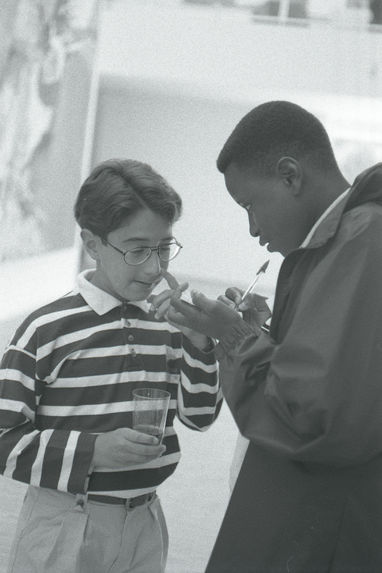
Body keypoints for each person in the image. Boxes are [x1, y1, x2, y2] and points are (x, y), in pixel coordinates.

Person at [168, 101, 382, 572]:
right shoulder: (336, 244)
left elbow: (317, 416)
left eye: (249, 205)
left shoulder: (364, 238)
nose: (252, 228)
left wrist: (237, 335)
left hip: (324, 530)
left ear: (290, 176)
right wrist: (271, 332)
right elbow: (336, 367)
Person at [0, 158, 221, 573]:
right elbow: (2, 439)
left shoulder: (170, 324)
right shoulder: (45, 329)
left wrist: (197, 341)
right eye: (138, 250)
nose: (155, 268)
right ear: (92, 243)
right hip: (64, 520)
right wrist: (94, 450)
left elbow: (201, 416)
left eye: (163, 248)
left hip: (145, 521)